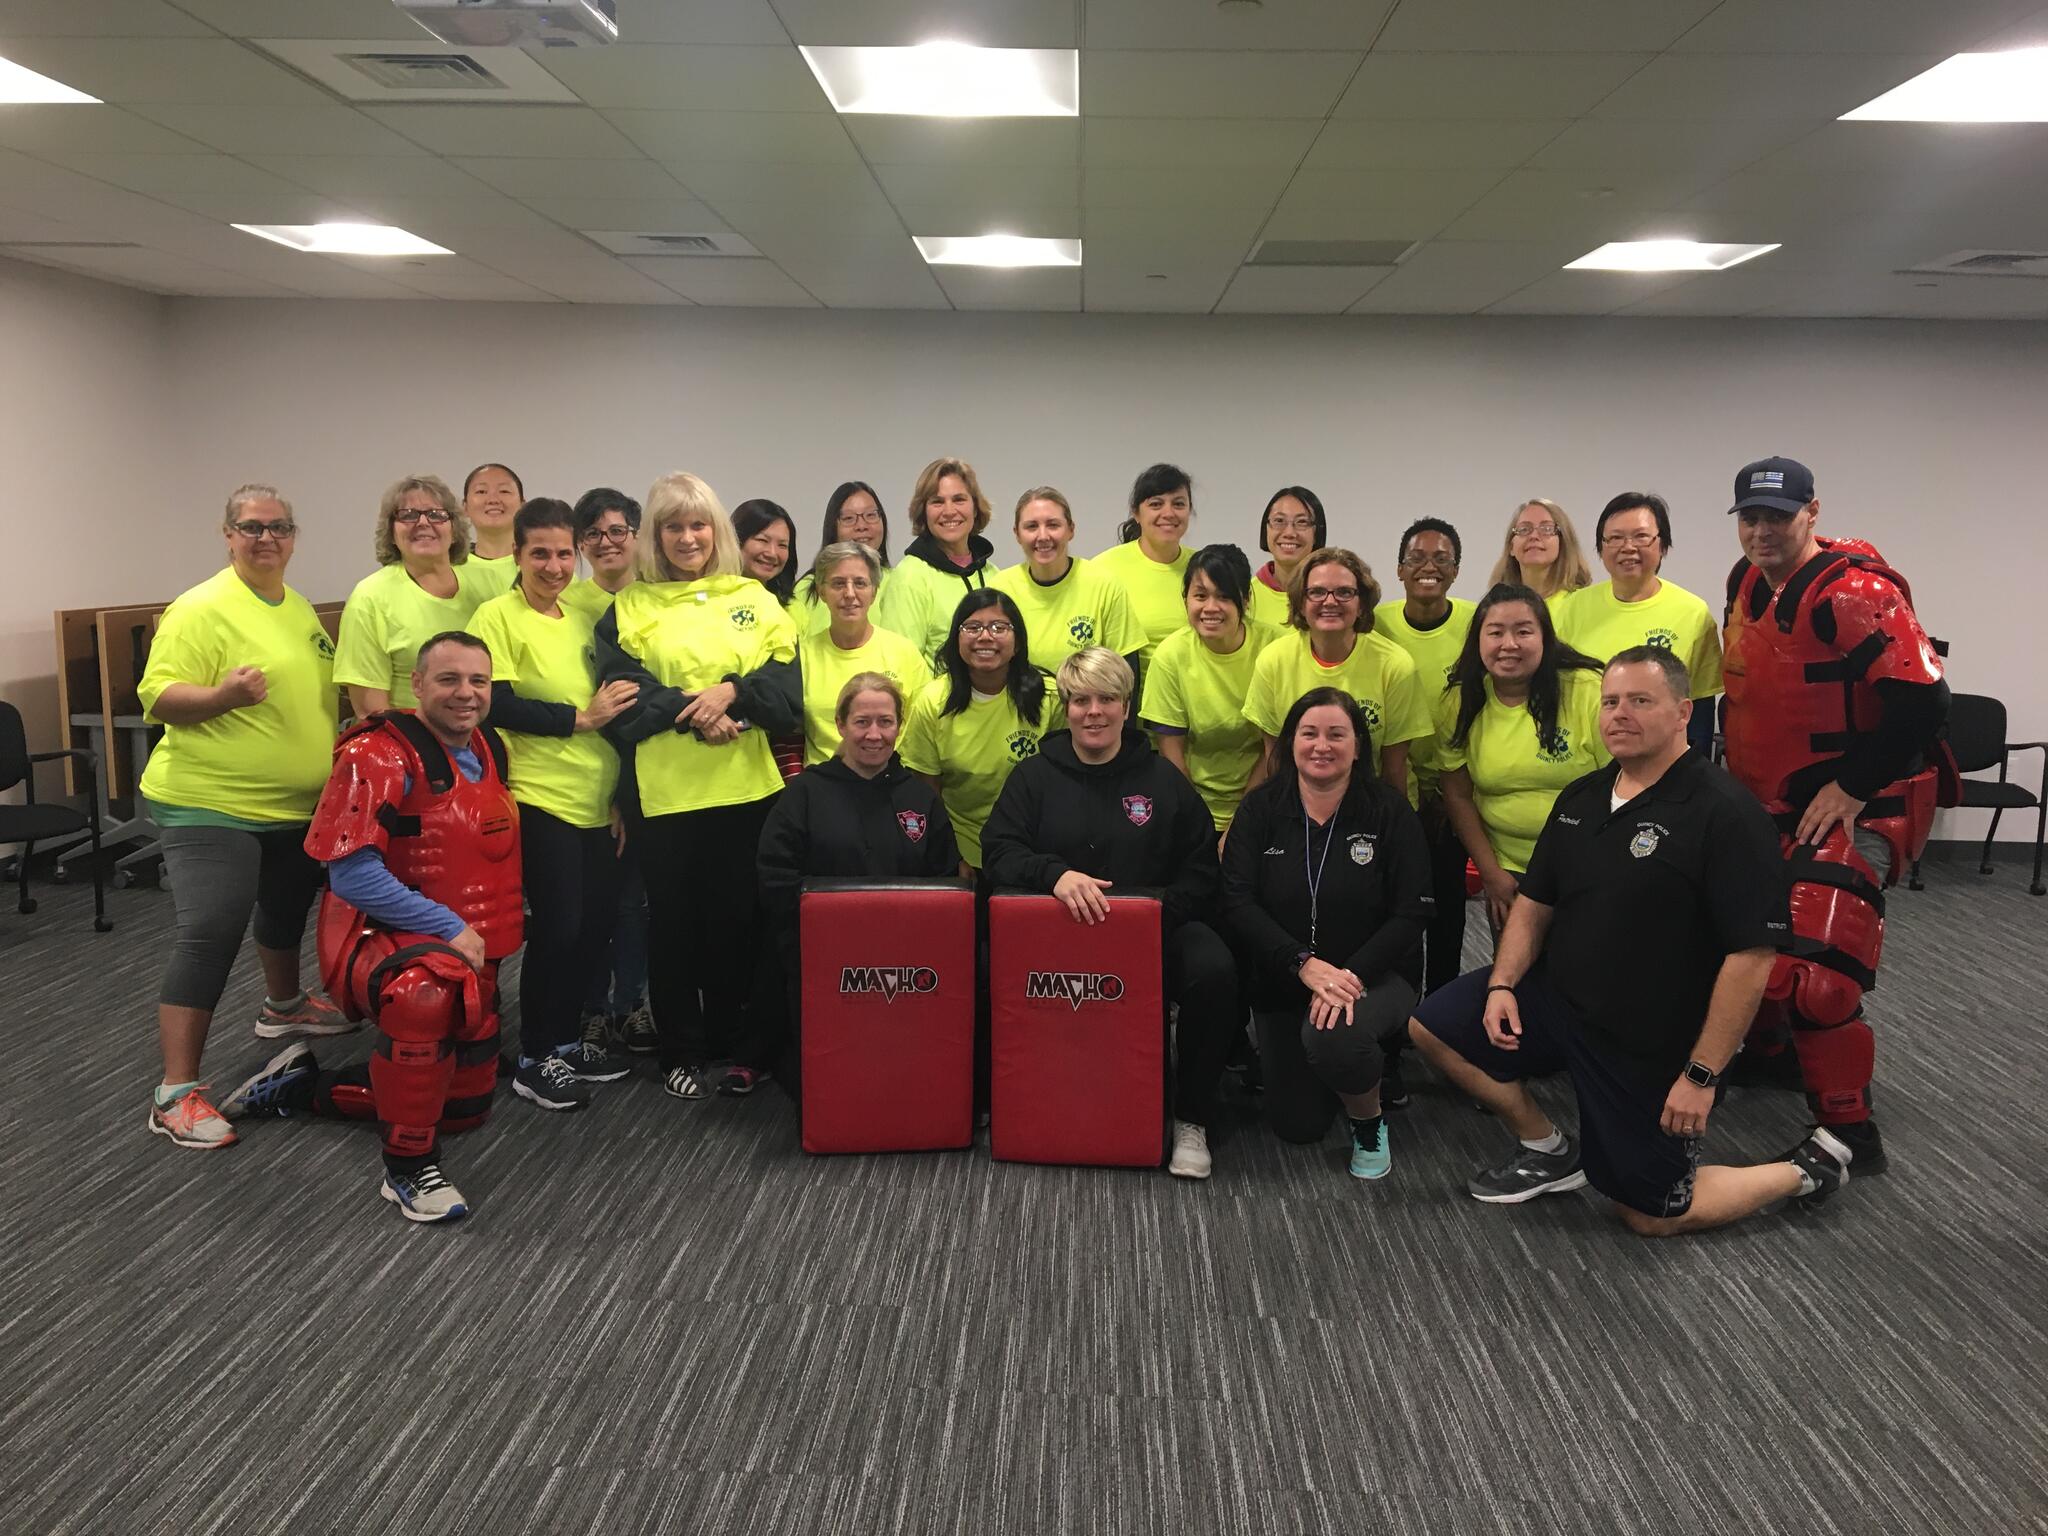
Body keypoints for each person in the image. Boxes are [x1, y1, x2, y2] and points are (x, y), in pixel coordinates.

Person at [1407, 648, 1854, 1235]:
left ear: (1682, 713)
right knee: (1432, 1026)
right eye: (1611, 702)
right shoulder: (1583, 798)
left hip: (1647, 1037)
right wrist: (1502, 985)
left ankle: (1808, 1166)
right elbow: (1535, 904)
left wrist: (1701, 1076)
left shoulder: (1725, 814)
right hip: (1561, 999)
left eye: (1640, 701)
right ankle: (1548, 1149)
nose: (1620, 714)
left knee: (1651, 1214)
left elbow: (1751, 959)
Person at [221, 631, 523, 1224]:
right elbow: (353, 877)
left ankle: (297, 1088)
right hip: (374, 933)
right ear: (416, 684)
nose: (466, 694)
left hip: (457, 941)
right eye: (448, 679)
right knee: (424, 996)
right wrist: (445, 925)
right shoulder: (376, 753)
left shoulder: (490, 747)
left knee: (464, 1110)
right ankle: (408, 1167)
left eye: (478, 681)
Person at [1719, 455, 1951, 1175]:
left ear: (1811, 512)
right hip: (1767, 805)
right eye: (1750, 518)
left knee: (1817, 975)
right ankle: (1769, 1057)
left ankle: (1852, 1132)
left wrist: (1851, 787)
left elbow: (1925, 701)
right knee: (1743, 938)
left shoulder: (1855, 592)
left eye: (1778, 517)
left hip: (1852, 810)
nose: (1762, 531)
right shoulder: (1747, 582)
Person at [981, 648, 1235, 1181]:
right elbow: (999, 851)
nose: (1093, 711)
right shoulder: (1032, 777)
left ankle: (1192, 1118)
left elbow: (1200, 875)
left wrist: (1147, 914)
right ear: (1067, 707)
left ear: (1127, 706)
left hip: (1149, 931)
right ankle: (1007, 1097)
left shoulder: (1164, 781)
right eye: (1080, 700)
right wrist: (1053, 875)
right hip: (1056, 932)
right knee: (981, 959)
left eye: (1107, 699)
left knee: (1213, 968)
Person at [140, 485, 343, 1150]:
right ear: (227, 534)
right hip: (211, 800)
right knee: (213, 928)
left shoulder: (298, 606)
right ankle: (174, 1095)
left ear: (293, 535)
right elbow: (161, 697)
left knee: (285, 912)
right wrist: (225, 695)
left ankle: (283, 1008)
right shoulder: (200, 608)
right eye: (251, 527)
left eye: (278, 527)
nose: (266, 538)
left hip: (290, 806)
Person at [595, 471, 799, 1101]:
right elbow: (626, 708)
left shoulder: (757, 598)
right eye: (674, 526)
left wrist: (732, 692)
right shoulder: (629, 607)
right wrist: (702, 708)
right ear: (656, 536)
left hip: (749, 791)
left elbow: (786, 697)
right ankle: (681, 1049)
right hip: (667, 799)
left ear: (717, 531)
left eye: (699, 524)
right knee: (675, 928)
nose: (689, 537)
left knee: (741, 923)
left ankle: (735, 1043)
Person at [470, 499, 640, 1111]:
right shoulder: (497, 615)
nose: (554, 564)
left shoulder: (588, 611)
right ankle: (535, 1054)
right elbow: (498, 702)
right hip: (538, 796)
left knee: (594, 929)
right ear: (516, 554)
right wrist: (580, 717)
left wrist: (620, 796)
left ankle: (567, 1041)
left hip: (598, 798)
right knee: (559, 927)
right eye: (539, 552)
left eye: (565, 552)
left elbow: (620, 706)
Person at [1222, 688, 1431, 1179]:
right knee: (1298, 1125)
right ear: (1289, 743)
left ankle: (1367, 1119)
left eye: (1337, 734)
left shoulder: (1389, 812)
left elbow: (1412, 912)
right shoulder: (1259, 812)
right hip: (1285, 977)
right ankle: (1347, 1068)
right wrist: (1302, 963)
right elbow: (1237, 902)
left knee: (1333, 1035)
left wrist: (1349, 975)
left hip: (1373, 976)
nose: (1322, 745)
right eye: (1309, 733)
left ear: (1358, 746)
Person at [757, 673, 963, 1089]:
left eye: (886, 722)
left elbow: (945, 880)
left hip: (908, 964)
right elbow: (775, 876)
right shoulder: (805, 795)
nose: (874, 734)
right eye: (862, 722)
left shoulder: (920, 799)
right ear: (840, 724)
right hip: (825, 962)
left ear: (899, 726)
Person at [1371, 517, 1476, 1107]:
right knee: (1400, 914)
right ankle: (1396, 1026)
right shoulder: (1379, 623)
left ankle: (1442, 1021)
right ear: (1400, 567)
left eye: (1441, 557)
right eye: (1416, 557)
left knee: (1450, 913)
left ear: (1456, 569)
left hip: (1456, 789)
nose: (1428, 565)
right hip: (1396, 792)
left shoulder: (1473, 625)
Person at [1438, 583, 1609, 933]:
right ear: (1478, 640)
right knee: (1515, 974)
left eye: (1523, 631)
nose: (1509, 644)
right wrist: (1491, 874)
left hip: (1589, 863)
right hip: (1508, 869)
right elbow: (1457, 794)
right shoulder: (1460, 701)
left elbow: (1625, 784)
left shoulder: (1587, 690)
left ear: (1545, 637)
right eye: (1496, 632)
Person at [564, 487, 654, 1058]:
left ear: (637, 536)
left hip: (648, 771)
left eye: (617, 530)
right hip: (587, 773)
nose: (606, 543)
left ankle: (633, 1004)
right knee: (596, 899)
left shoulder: (657, 600)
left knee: (638, 901)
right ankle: (593, 1006)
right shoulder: (566, 604)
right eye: (593, 534)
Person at [1243, 548, 1428, 802]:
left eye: (1344, 592)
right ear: (1301, 602)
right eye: (1317, 592)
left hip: (1373, 802)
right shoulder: (1273, 660)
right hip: (1298, 804)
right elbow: (1275, 759)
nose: (1330, 602)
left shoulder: (1395, 666)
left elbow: (1393, 768)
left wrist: (1393, 829)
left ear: (1361, 604)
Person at [899, 589, 1061, 873]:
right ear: (956, 638)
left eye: (999, 627)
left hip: (1035, 849)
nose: (985, 637)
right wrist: (951, 857)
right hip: (962, 848)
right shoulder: (932, 701)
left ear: (1019, 642)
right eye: (972, 627)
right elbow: (927, 793)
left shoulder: (1050, 698)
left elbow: (1063, 785)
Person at [1553, 492, 1721, 750]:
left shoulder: (1693, 612)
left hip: (1661, 764)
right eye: (1615, 538)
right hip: (1582, 759)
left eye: (1641, 537)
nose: (1628, 547)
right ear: (1601, 547)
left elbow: (1700, 706)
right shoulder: (1572, 607)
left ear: (1662, 545)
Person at [1142, 543, 1283, 837]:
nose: (1210, 608)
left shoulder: (1274, 650)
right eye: (1200, 595)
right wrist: (1201, 829)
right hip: (1190, 803)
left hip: (1265, 799)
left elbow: (1274, 751)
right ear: (1185, 600)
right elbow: (1172, 756)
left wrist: (1240, 824)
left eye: (1224, 596)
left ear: (1245, 601)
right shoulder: (1171, 655)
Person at [333, 474, 491, 717]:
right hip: (411, 747)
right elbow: (371, 711)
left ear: (455, 528)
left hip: (481, 744)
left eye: (436, 514)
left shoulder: (484, 584)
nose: (423, 523)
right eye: (408, 515)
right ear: (391, 531)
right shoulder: (370, 598)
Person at [990, 486, 1145, 685]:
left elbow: (1127, 673)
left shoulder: (1104, 585)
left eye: (1053, 525)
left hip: (1090, 712)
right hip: (1020, 712)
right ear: (1017, 534)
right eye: (1031, 527)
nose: (1043, 536)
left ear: (1071, 530)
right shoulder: (1000, 589)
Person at [795, 541, 931, 765]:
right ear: (821, 592)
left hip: (892, 780)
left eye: (860, 583)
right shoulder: (802, 657)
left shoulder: (903, 653)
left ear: (874, 592)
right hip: (823, 786)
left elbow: (922, 731)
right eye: (838, 584)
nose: (849, 594)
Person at [872, 456, 1001, 666]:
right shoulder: (910, 578)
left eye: (959, 499)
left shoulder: (994, 575)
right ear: (923, 512)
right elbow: (899, 667)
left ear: (975, 508)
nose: (949, 511)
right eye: (937, 501)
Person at [1092, 464, 1195, 678]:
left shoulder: (1204, 567)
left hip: (1195, 702)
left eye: (1178, 504)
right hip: (1125, 704)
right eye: (1156, 504)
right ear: (1136, 512)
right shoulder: (1102, 569)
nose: (1168, 513)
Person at [790, 481, 890, 636]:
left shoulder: (900, 581)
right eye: (849, 518)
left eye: (871, 515)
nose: (862, 526)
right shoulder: (807, 588)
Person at [1486, 498, 1592, 604]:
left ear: (1563, 541)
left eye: (1546, 529)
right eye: (1524, 529)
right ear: (1511, 547)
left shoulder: (1582, 603)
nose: (1533, 536)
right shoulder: (1496, 608)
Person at [1249, 486, 1325, 629]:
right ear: (1266, 528)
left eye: (1302, 522)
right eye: (1279, 521)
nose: (1289, 532)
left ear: (1317, 532)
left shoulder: (1330, 597)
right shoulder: (1245, 596)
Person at [459, 462, 523, 596]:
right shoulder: (449, 566)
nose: (493, 500)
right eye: (481, 491)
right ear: (465, 507)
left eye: (504, 491)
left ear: (522, 506)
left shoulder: (541, 563)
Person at [733, 498, 800, 608]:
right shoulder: (712, 599)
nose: (772, 553)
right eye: (762, 540)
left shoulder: (794, 608)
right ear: (736, 539)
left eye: (782, 545)